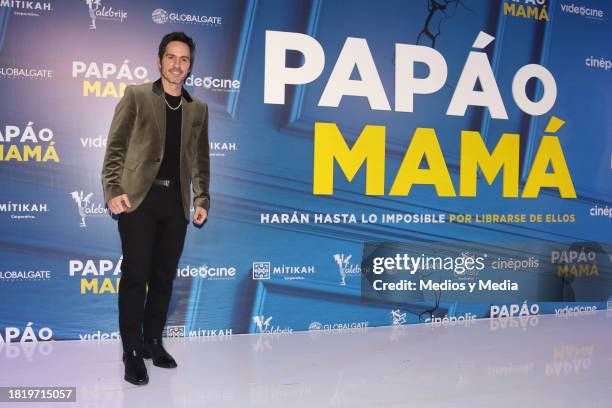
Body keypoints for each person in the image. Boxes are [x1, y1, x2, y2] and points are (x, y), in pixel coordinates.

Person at [101, 31, 210, 386]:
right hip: (139, 201)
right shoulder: (136, 96)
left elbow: (200, 159)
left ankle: (152, 342)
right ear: (159, 60)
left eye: (184, 59)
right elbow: (115, 147)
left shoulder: (198, 109)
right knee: (135, 278)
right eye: (171, 57)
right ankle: (131, 351)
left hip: (175, 203)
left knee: (163, 279)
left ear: (190, 66)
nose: (177, 64)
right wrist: (113, 188)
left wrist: (201, 198)